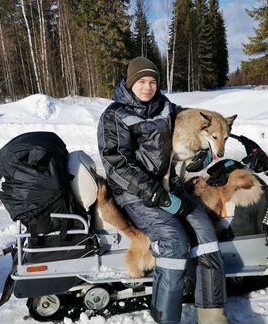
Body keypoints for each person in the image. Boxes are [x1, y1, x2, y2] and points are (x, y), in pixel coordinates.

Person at [97, 57, 230, 324]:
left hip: (172, 189)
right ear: (131, 82)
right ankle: (165, 317)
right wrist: (157, 195)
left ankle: (213, 316)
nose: (148, 87)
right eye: (142, 82)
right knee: (175, 244)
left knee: (206, 236)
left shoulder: (165, 107)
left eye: (153, 82)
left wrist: (203, 150)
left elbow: (194, 121)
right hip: (136, 195)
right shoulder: (114, 116)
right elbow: (117, 163)